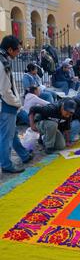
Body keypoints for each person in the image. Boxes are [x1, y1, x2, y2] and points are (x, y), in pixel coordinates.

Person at [0, 35, 34, 173]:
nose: (19, 52)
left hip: (7, 103)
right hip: (6, 105)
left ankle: (24, 155)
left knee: (12, 133)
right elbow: (4, 90)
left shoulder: (3, 59)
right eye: (17, 50)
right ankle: (6, 165)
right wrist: (17, 102)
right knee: (6, 137)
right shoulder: (2, 63)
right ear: (9, 49)